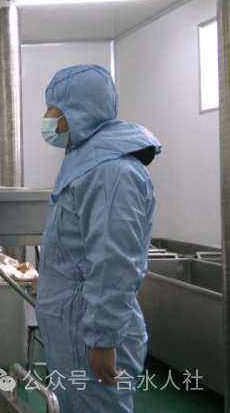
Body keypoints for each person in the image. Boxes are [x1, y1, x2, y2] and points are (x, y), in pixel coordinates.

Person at [37, 65, 160, 412]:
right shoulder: (87, 161)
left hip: (91, 332)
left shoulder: (112, 172)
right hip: (76, 329)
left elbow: (114, 263)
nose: (46, 118)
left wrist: (104, 340)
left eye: (52, 108)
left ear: (79, 110)